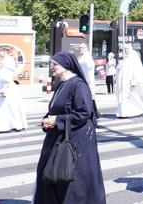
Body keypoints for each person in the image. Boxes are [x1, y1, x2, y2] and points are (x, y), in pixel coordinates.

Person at [33, 51, 105, 203]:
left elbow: (84, 113)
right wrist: (48, 120)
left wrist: (57, 120)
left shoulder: (78, 85)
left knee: (71, 179)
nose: (51, 67)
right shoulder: (62, 83)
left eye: (55, 64)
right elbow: (57, 108)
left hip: (76, 140)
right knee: (50, 172)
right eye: (51, 64)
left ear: (66, 66)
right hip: (58, 134)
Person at [0, 47, 28, 132]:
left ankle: (13, 124)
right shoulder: (7, 60)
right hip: (6, 85)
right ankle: (15, 124)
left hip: (6, 85)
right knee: (10, 106)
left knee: (9, 106)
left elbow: (5, 75)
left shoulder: (7, 60)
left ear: (4, 51)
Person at [115, 44, 143, 118]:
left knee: (134, 97)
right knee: (125, 97)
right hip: (124, 82)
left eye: (127, 48)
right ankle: (124, 113)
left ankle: (141, 110)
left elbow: (137, 70)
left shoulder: (134, 57)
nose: (126, 50)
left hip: (131, 82)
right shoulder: (125, 58)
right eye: (125, 49)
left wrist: (134, 80)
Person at [77, 43, 100, 118]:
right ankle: (95, 113)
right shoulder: (80, 57)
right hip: (82, 79)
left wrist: (87, 81)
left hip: (87, 79)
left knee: (88, 97)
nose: (80, 49)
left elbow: (88, 70)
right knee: (87, 97)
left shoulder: (87, 57)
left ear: (86, 48)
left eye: (81, 47)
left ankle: (94, 113)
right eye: (79, 48)